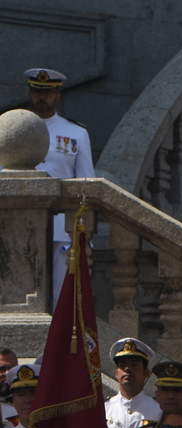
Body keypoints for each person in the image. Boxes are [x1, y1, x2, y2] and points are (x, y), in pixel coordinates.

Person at [25, 69, 93, 303]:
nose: (41, 98)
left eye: (47, 93)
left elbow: (86, 185)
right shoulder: (10, 130)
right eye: (36, 92)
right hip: (19, 225)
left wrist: (85, 237)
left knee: (59, 298)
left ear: (58, 94)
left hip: (61, 230)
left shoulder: (76, 133)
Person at [104, 338, 160, 428]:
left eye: (134, 365)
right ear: (116, 373)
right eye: (122, 366)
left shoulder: (158, 411)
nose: (128, 369)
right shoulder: (105, 410)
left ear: (146, 373)